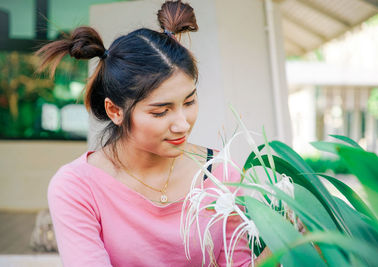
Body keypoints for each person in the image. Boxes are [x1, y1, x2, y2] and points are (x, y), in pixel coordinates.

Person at [38, 1, 267, 266]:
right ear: (114, 111)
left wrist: (294, 248)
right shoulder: (76, 187)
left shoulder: (221, 173)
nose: (182, 124)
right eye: (161, 112)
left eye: (189, 102)